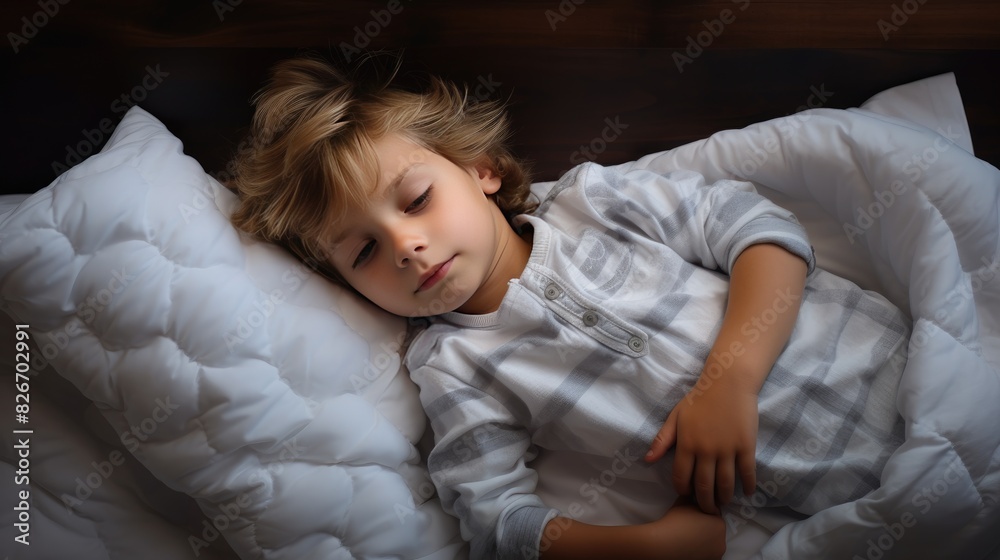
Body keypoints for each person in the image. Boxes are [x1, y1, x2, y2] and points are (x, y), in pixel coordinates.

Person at [228, 55, 910, 560]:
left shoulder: (595, 202)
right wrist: (646, 548)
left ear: (481, 170)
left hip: (894, 362)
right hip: (848, 494)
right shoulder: (456, 369)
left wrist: (729, 378)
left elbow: (761, 231)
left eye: (415, 201)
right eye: (364, 253)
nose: (406, 246)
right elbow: (496, 520)